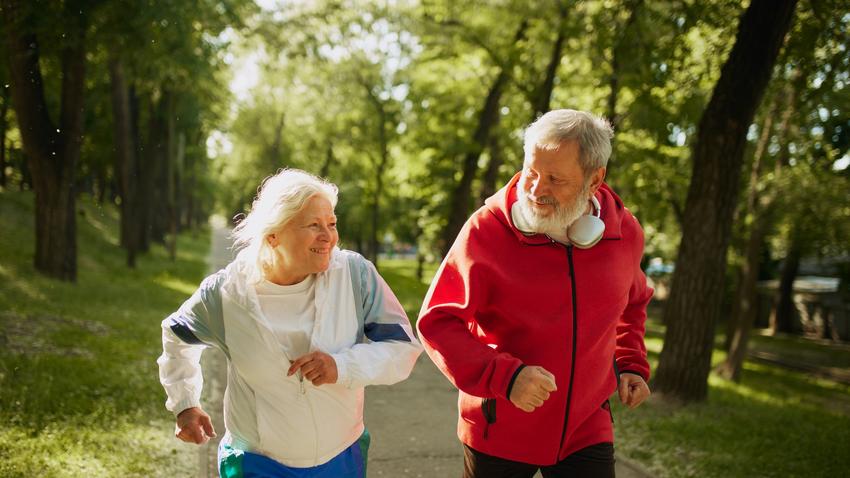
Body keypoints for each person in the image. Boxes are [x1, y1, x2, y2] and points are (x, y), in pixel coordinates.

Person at [417, 109, 652, 477]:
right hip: (502, 424)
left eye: (556, 179)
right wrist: (505, 378)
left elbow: (633, 301)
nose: (537, 189)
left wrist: (631, 362)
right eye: (532, 172)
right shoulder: (485, 231)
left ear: (595, 180)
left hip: (585, 427)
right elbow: (438, 321)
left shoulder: (624, 234)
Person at [157, 169, 422, 477]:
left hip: (341, 457)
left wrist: (342, 366)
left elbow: (402, 348)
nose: (328, 237)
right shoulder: (226, 293)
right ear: (273, 235)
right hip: (257, 462)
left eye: (332, 224)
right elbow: (176, 336)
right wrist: (185, 403)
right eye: (314, 225)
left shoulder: (355, 276)